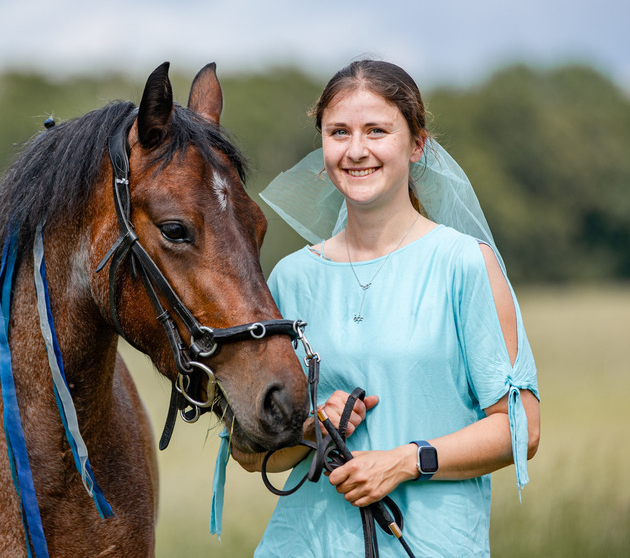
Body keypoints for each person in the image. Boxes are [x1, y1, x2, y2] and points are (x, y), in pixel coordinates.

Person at [224, 59, 540, 557]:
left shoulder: (464, 265)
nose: (355, 151)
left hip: (429, 546)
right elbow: (246, 450)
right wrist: (311, 431)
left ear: (417, 144)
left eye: (376, 131)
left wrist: (405, 461)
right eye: (338, 132)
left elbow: (520, 428)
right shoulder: (289, 278)